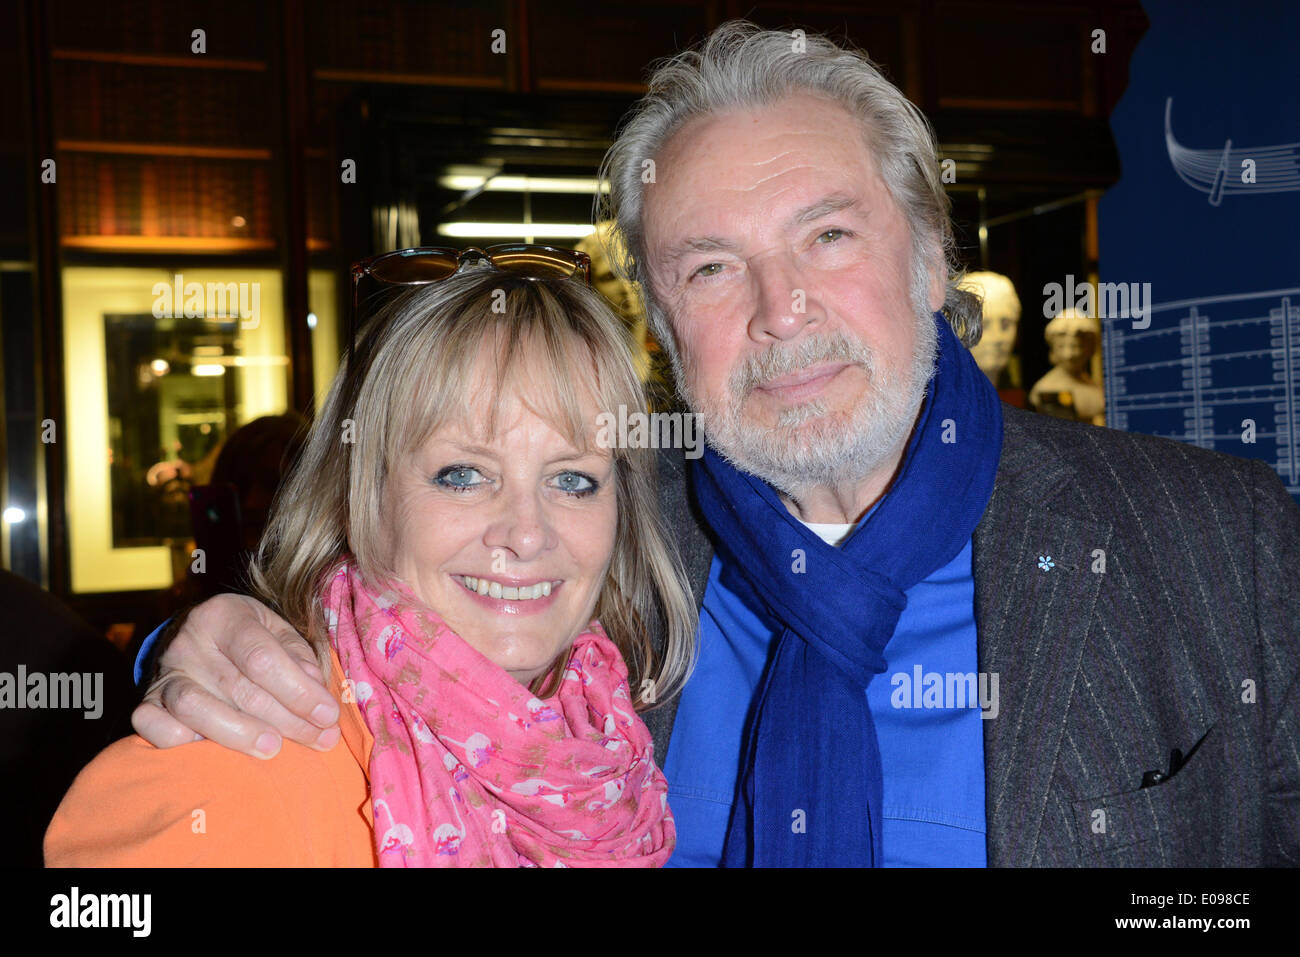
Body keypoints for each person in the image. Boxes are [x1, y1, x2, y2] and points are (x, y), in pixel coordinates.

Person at [126, 22, 1300, 867]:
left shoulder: (1221, 541)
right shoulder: (597, 536)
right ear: (660, 314)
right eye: (710, 266)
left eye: (828, 235)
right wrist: (203, 639)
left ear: (930, 257)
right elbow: (389, 635)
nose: (781, 308)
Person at [46, 258, 696, 866]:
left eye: (573, 480)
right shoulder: (225, 768)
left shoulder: (610, 750)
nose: (528, 534)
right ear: (363, 497)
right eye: (463, 473)